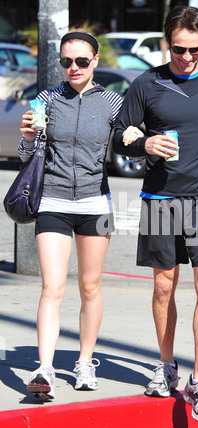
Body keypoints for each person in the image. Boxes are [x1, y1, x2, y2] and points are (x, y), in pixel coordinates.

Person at [113, 7, 198, 422]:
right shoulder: (147, 83)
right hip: (160, 198)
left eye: (194, 50)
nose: (187, 58)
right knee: (163, 287)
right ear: (166, 42)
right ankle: (166, 365)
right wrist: (144, 145)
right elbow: (121, 136)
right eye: (178, 49)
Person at [19, 29, 142, 400]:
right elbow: (28, 155)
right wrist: (27, 137)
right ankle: (45, 367)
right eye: (66, 61)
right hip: (53, 201)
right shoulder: (46, 99)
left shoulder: (112, 103)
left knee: (90, 287)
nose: (74, 68)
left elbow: (131, 146)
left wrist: (136, 136)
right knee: (52, 288)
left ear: (96, 61)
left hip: (96, 203)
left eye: (82, 61)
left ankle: (86, 361)